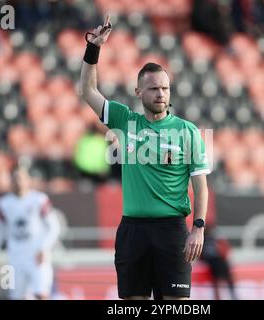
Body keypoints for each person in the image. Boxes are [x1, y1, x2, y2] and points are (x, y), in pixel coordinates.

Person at [79, 15, 211, 300]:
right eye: (153, 88)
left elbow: (200, 185)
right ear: (139, 92)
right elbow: (87, 90)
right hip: (133, 230)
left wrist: (198, 228)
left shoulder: (187, 131)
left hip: (172, 231)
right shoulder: (125, 121)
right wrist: (94, 49)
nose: (160, 94)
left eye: (164, 88)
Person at [0, 165, 60, 300]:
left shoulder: (39, 200)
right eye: (15, 179)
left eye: (21, 178)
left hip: (37, 256)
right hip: (16, 257)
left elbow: (54, 227)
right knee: (17, 296)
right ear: (11, 182)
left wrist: (44, 248)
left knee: (41, 294)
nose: (19, 182)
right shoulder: (4, 204)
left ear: (28, 180)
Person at [200, 224, 236, 300]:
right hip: (214, 262)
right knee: (220, 280)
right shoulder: (203, 239)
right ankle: (229, 295)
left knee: (223, 278)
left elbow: (225, 250)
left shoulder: (213, 239)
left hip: (217, 261)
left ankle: (232, 295)